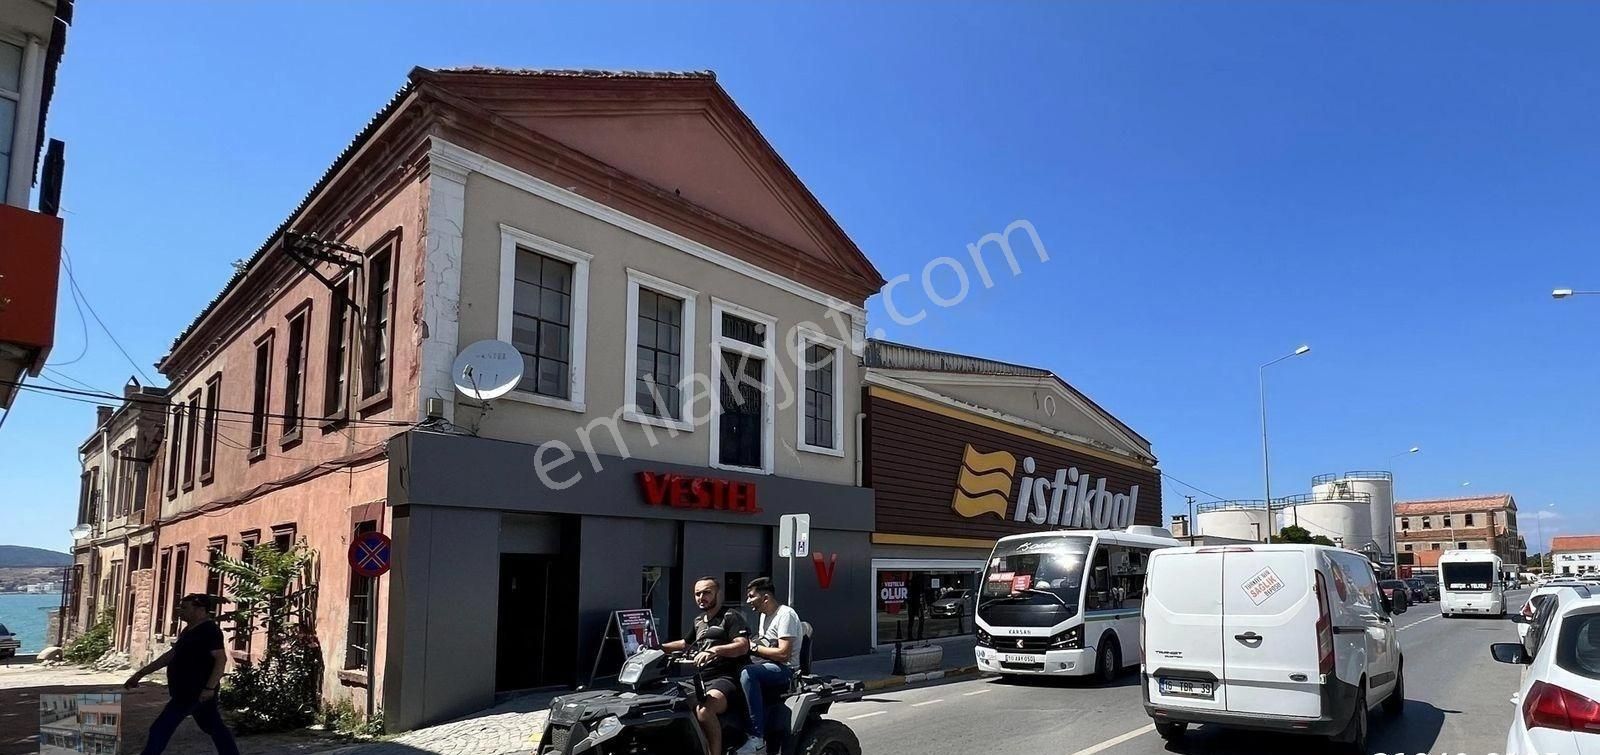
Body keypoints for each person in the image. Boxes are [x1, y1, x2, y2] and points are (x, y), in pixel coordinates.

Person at [125, 593, 240, 755]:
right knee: (213, 727)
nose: (180, 611)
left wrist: (209, 688)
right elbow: (171, 655)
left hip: (194, 691)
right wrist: (140, 674)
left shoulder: (209, 630)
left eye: (185, 608)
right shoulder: (189, 630)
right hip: (188, 690)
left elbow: (221, 660)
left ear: (200, 609)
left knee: (160, 728)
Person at [661, 577, 751, 755]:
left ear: (719, 593)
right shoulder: (699, 620)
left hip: (726, 678)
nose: (701, 597)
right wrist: (657, 647)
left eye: (706, 592)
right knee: (669, 702)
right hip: (699, 678)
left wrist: (714, 650)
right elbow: (685, 644)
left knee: (705, 709)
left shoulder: (730, 616)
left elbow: (742, 645)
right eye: (697, 594)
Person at [736, 577, 802, 755]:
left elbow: (783, 654)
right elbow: (764, 644)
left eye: (751, 596)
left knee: (748, 674)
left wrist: (754, 648)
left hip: (785, 669)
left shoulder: (785, 615)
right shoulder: (764, 615)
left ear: (765, 597)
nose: (748, 601)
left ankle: (757, 738)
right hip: (767, 664)